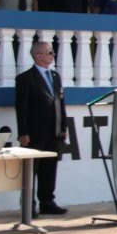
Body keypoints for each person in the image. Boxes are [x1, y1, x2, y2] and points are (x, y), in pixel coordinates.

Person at [14, 39, 68, 216]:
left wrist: (63, 126)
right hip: (35, 132)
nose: (53, 55)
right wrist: (23, 132)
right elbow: (21, 107)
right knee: (32, 170)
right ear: (38, 55)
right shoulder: (25, 78)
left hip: (54, 131)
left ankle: (47, 202)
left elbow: (60, 103)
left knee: (49, 168)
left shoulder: (55, 76)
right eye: (49, 52)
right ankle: (28, 205)